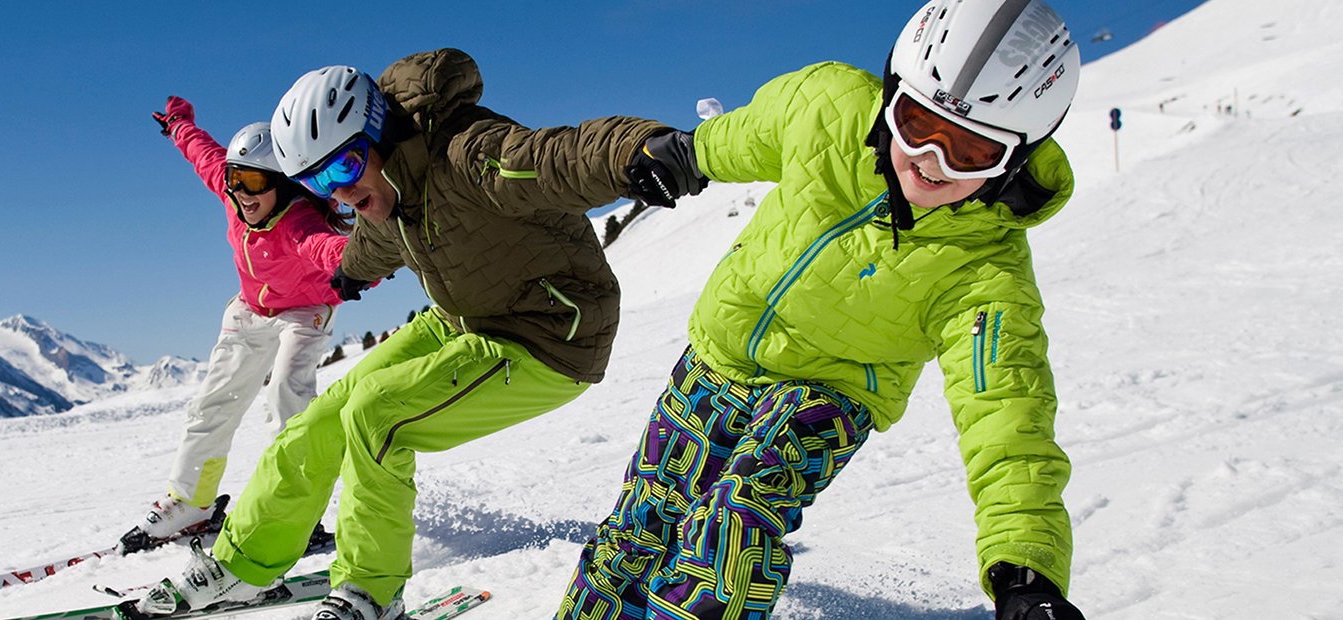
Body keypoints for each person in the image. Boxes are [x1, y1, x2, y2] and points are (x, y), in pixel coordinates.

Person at [557, 1, 1090, 619]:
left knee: (736, 522)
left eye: (970, 153)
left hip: (833, 392)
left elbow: (1008, 414)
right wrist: (689, 155)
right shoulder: (826, 106)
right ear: (892, 94)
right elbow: (747, 133)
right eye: (917, 124)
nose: (929, 162)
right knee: (640, 526)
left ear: (1016, 158)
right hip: (718, 358)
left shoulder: (986, 271)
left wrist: (1026, 570)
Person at [135, 49, 705, 620]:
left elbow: (561, 156)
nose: (337, 192)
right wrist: (348, 270)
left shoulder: (469, 155)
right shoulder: (387, 190)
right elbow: (381, 239)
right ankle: (242, 567)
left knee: (377, 415)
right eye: (314, 180)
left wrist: (645, 150)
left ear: (377, 132)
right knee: (320, 418)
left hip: (549, 332)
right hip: (464, 319)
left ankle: (372, 594)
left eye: (343, 167)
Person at [120, 97, 357, 550]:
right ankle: (192, 504)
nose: (242, 192)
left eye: (253, 181)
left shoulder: (299, 222)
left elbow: (331, 250)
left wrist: (360, 266)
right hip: (250, 310)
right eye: (235, 179)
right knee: (212, 406)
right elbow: (203, 153)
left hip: (303, 312)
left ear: (284, 184)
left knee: (288, 401)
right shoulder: (234, 197)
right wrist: (178, 124)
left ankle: (298, 513)